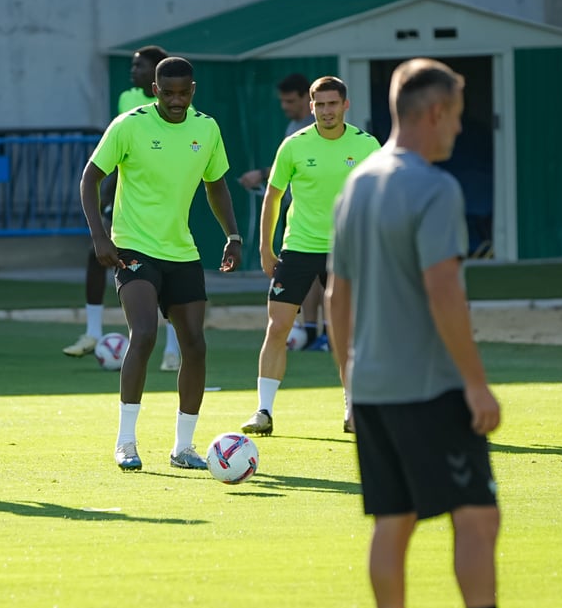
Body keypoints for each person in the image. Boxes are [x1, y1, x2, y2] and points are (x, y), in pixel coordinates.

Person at [326, 57, 562, 608]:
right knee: (478, 517)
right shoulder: (435, 189)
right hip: (428, 386)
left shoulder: (357, 182)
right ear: (433, 113)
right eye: (458, 117)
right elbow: (444, 291)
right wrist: (477, 384)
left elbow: (335, 296)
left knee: (393, 520)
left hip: (373, 387)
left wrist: (350, 382)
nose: (459, 131)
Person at [79, 56, 243, 471]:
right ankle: (126, 443)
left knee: (195, 345)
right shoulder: (129, 125)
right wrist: (101, 235)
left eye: (182, 92)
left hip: (182, 251)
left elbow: (217, 184)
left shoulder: (206, 129)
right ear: (155, 90)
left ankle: (183, 448)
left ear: (193, 90)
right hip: (133, 246)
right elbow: (90, 178)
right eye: (167, 92)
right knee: (146, 334)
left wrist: (233, 235)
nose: (175, 100)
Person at [240, 76, 379, 437]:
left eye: (333, 103)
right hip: (299, 247)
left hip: (348, 251)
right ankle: (263, 411)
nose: (327, 111)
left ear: (346, 105)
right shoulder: (294, 145)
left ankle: (353, 411)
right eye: (320, 104)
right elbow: (272, 197)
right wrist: (265, 248)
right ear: (311, 106)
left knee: (346, 333)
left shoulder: (367, 146)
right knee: (278, 327)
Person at [64, 45, 182, 373]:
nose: (133, 72)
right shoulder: (128, 100)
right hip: (125, 199)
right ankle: (92, 332)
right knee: (96, 253)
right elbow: (120, 155)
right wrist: (108, 195)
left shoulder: (175, 105)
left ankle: (172, 349)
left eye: (139, 66)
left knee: (167, 271)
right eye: (132, 65)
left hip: (162, 203)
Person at [240, 73, 328, 351]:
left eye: (290, 100)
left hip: (322, 215)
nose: (285, 106)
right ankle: (312, 329)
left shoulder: (319, 128)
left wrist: (260, 173)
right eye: (282, 101)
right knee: (311, 275)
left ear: (307, 99)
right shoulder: (293, 127)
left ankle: (330, 331)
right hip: (296, 211)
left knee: (332, 279)